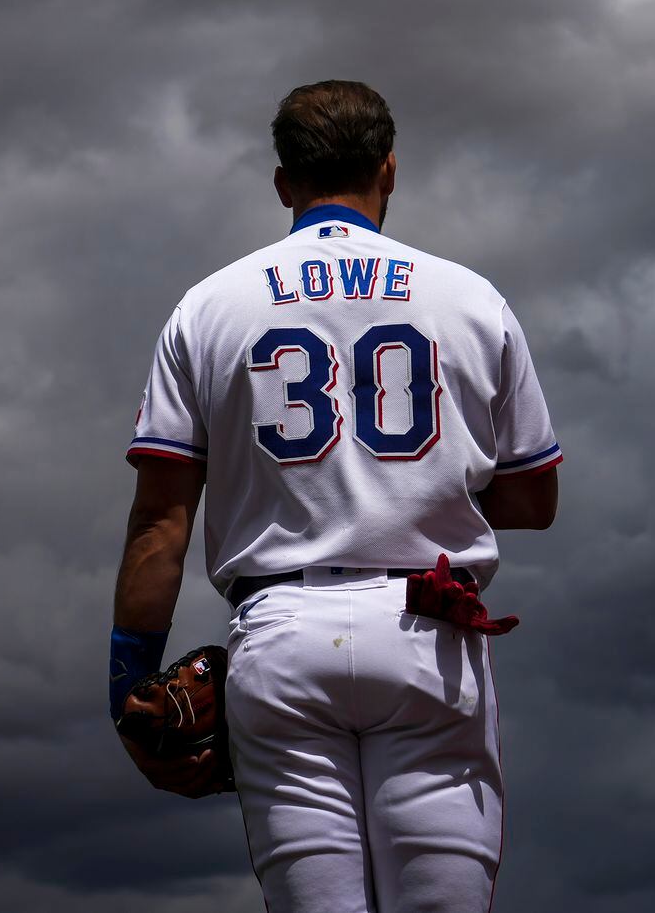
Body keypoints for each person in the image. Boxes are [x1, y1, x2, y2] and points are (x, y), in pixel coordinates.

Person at [110, 80, 561, 912]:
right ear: (389, 168)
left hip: (280, 635)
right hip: (427, 627)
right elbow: (535, 497)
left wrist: (125, 681)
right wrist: (412, 491)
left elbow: (161, 521)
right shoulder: (469, 297)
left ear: (283, 183)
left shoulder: (207, 307)